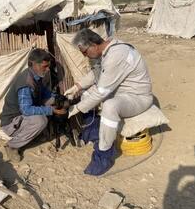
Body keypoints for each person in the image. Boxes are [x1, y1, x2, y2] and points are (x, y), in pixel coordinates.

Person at [65, 28, 153, 176]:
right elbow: (97, 72)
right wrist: (77, 87)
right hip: (122, 92)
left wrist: (76, 108)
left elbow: (102, 92)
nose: (85, 56)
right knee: (87, 95)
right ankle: (93, 133)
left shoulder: (117, 55)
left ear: (93, 44)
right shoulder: (107, 51)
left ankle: (104, 155)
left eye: (85, 52)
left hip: (137, 97)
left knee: (109, 106)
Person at [0, 48, 67, 162]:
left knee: (51, 100)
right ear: (34, 64)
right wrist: (51, 110)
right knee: (40, 121)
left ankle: (33, 135)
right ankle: (12, 146)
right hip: (12, 123)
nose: (47, 70)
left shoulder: (36, 76)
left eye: (48, 66)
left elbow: (44, 92)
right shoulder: (26, 83)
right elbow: (26, 110)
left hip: (21, 117)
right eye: (44, 66)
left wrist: (57, 98)